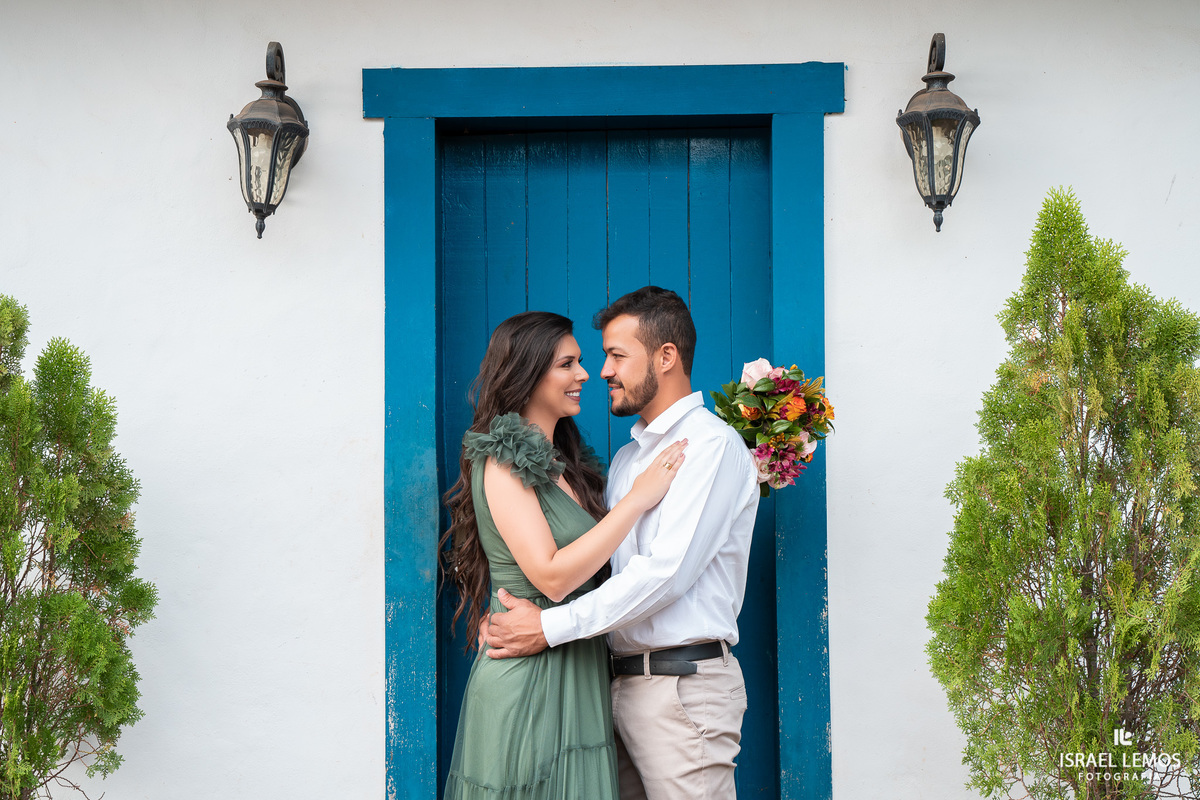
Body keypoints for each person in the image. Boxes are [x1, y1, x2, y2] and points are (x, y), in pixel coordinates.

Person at [485, 287, 761, 800]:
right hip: (610, 688)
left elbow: (665, 574)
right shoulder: (628, 461)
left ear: (666, 356)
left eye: (617, 355)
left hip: (680, 690)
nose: (603, 371)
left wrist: (546, 627)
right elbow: (599, 569)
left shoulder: (709, 446)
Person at [440, 310, 687, 800]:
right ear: (528, 373)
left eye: (582, 362)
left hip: (578, 665)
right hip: (530, 676)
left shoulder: (569, 466)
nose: (584, 375)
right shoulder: (502, 460)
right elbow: (551, 577)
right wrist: (639, 499)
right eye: (566, 364)